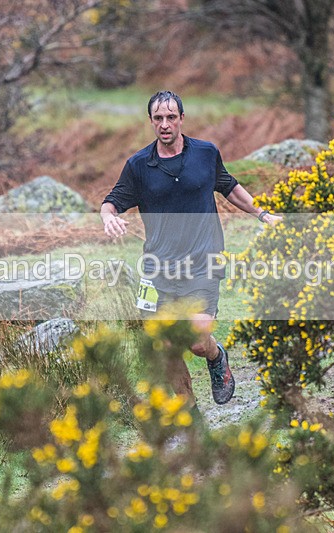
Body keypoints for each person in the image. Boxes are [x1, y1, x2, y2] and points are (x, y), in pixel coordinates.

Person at [101, 90, 280, 408]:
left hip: (204, 260)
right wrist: (108, 218)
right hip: (159, 267)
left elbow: (229, 187)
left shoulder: (206, 153)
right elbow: (112, 201)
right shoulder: (139, 165)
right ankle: (189, 411)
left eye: (171, 117)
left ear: (182, 119)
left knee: (197, 340)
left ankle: (216, 355)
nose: (165, 124)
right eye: (158, 118)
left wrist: (262, 213)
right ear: (151, 121)